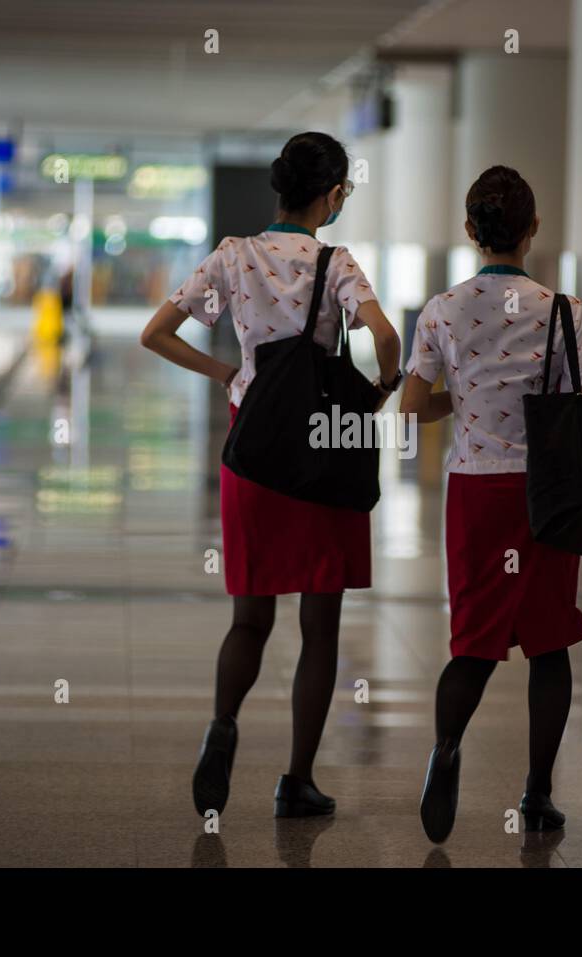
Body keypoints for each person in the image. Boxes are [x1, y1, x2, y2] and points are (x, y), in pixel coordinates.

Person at [141, 132, 401, 819]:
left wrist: (230, 373)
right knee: (321, 623)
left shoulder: (233, 254)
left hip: (253, 446)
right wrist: (378, 391)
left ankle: (223, 726)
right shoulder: (336, 260)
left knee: (250, 617)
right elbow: (384, 336)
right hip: (321, 448)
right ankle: (297, 780)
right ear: (333, 194)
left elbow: (157, 332)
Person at [400, 165, 582, 843]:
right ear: (533, 229)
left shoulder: (441, 309)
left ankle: (447, 747)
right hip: (546, 493)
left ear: (471, 231)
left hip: (475, 491)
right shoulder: (562, 309)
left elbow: (412, 407)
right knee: (549, 641)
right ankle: (537, 795)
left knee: (474, 639)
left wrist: (459, 400)